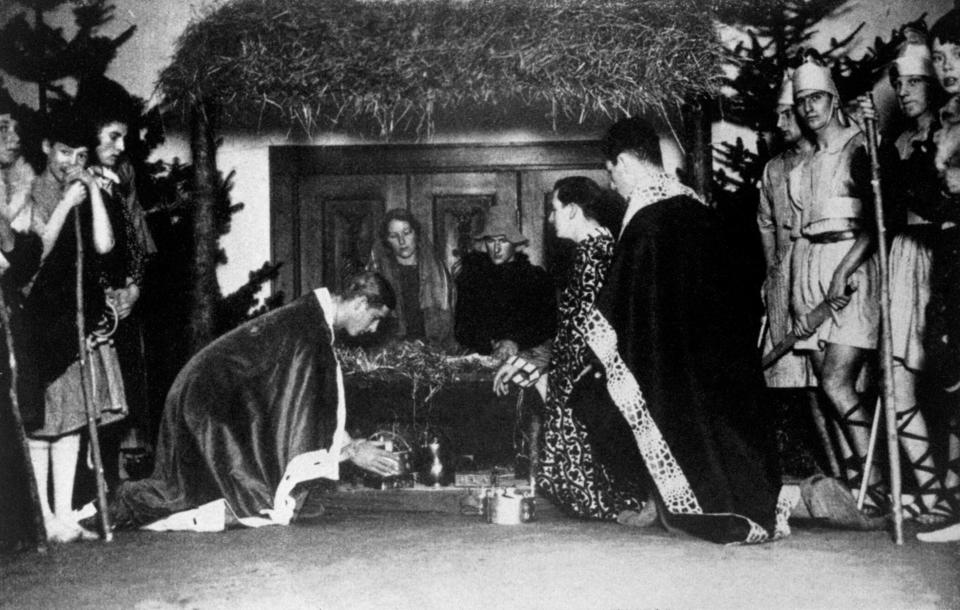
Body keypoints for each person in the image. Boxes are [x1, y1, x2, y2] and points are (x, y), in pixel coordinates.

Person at [581, 116, 789, 544]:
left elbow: (619, 306)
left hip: (673, 359)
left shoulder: (645, 225)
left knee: (598, 396)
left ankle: (666, 501)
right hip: (721, 356)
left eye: (611, 171)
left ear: (622, 162)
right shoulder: (699, 211)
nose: (614, 182)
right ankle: (756, 501)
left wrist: (591, 343)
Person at [100, 271, 401, 531]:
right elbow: (307, 410)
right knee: (222, 503)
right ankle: (112, 506)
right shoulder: (311, 331)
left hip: (205, 393)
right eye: (375, 319)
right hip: (205, 401)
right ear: (361, 304)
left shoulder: (311, 319)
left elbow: (316, 403)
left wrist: (350, 447)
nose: (373, 329)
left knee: (248, 501)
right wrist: (352, 451)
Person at [494, 177, 645, 520]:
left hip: (589, 380)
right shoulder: (594, 250)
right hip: (577, 373)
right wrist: (535, 366)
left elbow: (589, 333)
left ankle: (618, 506)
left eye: (555, 210)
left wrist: (541, 372)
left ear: (574, 211)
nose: (550, 219)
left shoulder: (595, 253)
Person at [22, 109, 122, 543]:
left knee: (72, 416)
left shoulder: (81, 189)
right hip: (37, 315)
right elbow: (35, 254)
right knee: (43, 418)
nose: (71, 162)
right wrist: (66, 203)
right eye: (64, 152)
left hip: (73, 314)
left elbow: (104, 245)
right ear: (46, 148)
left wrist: (92, 194)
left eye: (80, 154)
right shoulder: (32, 190)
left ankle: (63, 513)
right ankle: (42, 514)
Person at [787, 57, 883, 508]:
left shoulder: (861, 143)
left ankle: (878, 482)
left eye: (817, 98)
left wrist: (845, 270)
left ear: (835, 98)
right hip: (814, 268)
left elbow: (883, 218)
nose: (810, 108)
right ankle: (857, 486)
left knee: (836, 382)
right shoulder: (806, 162)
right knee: (830, 389)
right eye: (802, 101)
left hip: (853, 266)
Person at [882, 37, 958, 525]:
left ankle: (952, 489)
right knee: (897, 380)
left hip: (946, 250)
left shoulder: (951, 132)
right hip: (909, 254)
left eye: (914, 82)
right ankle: (930, 492)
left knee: (949, 376)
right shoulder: (899, 144)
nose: (905, 91)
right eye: (899, 83)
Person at [0, 96, 44, 551]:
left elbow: (25, 256)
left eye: (14, 127)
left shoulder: (17, 186)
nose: (14, 137)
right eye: (2, 128)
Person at [454, 205, 556, 364]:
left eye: (502, 241)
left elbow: (548, 325)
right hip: (482, 360)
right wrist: (490, 343)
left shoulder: (536, 278)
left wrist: (515, 341)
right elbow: (462, 329)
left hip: (527, 360)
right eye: (490, 241)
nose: (495, 248)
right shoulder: (471, 279)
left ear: (514, 243)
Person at [366, 208, 454, 347]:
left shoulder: (438, 272)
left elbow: (451, 326)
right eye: (394, 236)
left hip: (435, 353)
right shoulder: (378, 276)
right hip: (391, 353)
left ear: (416, 233)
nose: (402, 241)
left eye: (407, 233)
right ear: (386, 240)